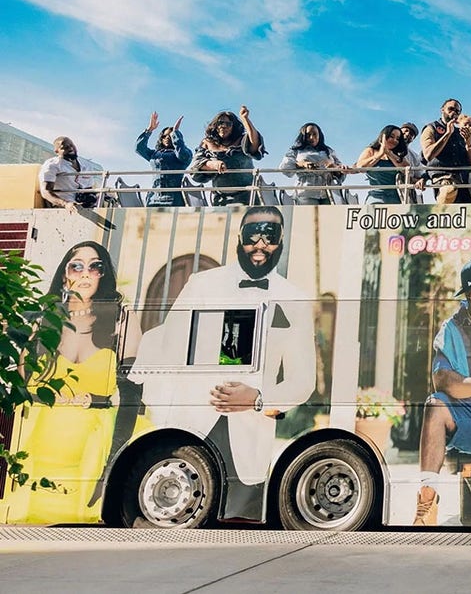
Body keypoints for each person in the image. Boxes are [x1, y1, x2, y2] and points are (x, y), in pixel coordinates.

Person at [129, 207, 316, 519]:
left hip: (249, 440)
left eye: (270, 237)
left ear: (281, 243)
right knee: (179, 515)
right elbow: (171, 346)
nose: (260, 244)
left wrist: (257, 399)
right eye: (252, 236)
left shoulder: (294, 298)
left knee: (240, 525)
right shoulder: (201, 283)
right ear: (238, 240)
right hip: (189, 426)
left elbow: (303, 379)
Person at [6, 241, 142, 524]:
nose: (85, 273)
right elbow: (21, 383)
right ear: (64, 273)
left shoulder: (122, 318)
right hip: (37, 451)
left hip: (92, 456)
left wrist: (94, 400)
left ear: (103, 275)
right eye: (76, 266)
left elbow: (131, 391)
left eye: (95, 267)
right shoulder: (44, 318)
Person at [414, 258, 471, 525]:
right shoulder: (450, 329)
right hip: (464, 416)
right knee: (434, 405)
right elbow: (443, 380)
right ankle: (427, 501)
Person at [189, 106, 266, 206]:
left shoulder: (242, 140)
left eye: (228, 124)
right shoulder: (207, 143)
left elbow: (254, 145)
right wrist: (213, 164)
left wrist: (245, 119)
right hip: (221, 198)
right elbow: (195, 166)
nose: (224, 126)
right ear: (215, 126)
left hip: (247, 196)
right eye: (220, 123)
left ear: (233, 127)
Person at [420, 99, 471, 204]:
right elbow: (428, 155)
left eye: (457, 111)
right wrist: (447, 134)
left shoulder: (460, 133)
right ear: (442, 110)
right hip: (443, 178)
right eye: (450, 109)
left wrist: (469, 143)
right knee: (449, 191)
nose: (454, 112)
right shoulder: (431, 128)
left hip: (463, 182)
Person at [134, 112, 193, 207]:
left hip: (173, 199)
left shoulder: (184, 153)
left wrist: (176, 133)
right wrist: (149, 130)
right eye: (164, 136)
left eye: (170, 136)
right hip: (153, 198)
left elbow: (183, 156)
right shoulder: (154, 154)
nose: (167, 138)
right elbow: (139, 148)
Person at [280, 122, 346, 205]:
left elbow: (341, 173)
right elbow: (284, 168)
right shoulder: (296, 151)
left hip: (328, 192)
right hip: (306, 192)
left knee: (329, 217)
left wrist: (333, 167)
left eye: (315, 134)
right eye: (308, 135)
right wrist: (301, 164)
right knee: (309, 216)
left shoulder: (328, 151)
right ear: (303, 136)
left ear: (319, 135)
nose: (312, 137)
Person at [357, 124, 412, 205]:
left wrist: (389, 154)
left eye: (397, 139)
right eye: (391, 136)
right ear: (383, 136)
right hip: (376, 197)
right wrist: (380, 154)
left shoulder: (398, 155)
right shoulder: (370, 151)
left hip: (397, 199)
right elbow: (360, 167)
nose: (394, 140)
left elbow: (407, 170)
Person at [39, 136, 87, 210]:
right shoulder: (52, 165)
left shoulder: (85, 165)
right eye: (65, 147)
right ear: (57, 151)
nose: (70, 149)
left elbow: (88, 188)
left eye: (71, 145)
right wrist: (65, 204)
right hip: (62, 208)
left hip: (83, 207)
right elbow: (45, 192)